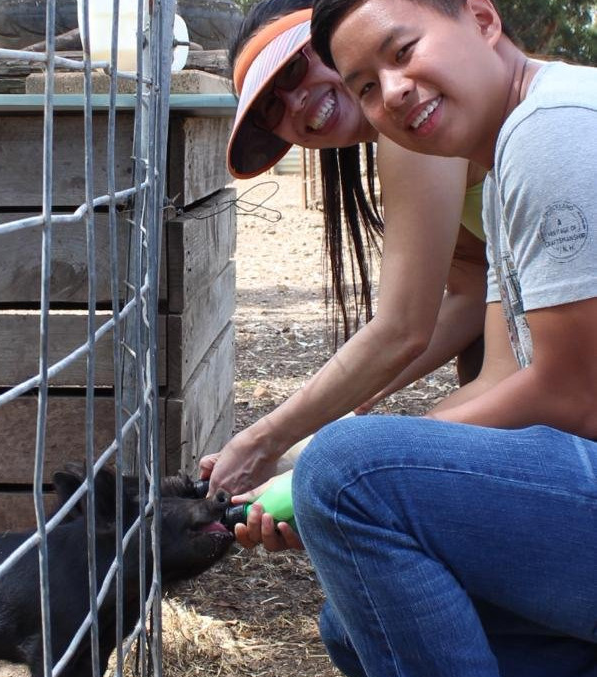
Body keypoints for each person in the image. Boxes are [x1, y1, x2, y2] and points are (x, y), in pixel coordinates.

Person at [276, 0, 595, 677]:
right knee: (358, 626)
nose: (394, 91)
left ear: (481, 19)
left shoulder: (554, 131)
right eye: (367, 86)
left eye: (403, 49)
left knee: (347, 471)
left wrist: (326, 474)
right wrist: (331, 494)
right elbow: (504, 380)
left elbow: (571, 391)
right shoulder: (508, 157)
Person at [203, 0, 519, 520]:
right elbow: (470, 294)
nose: (296, 102)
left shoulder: (417, 131)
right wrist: (348, 406)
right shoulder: (416, 132)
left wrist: (274, 445)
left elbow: (403, 328)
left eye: (296, 67)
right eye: (270, 110)